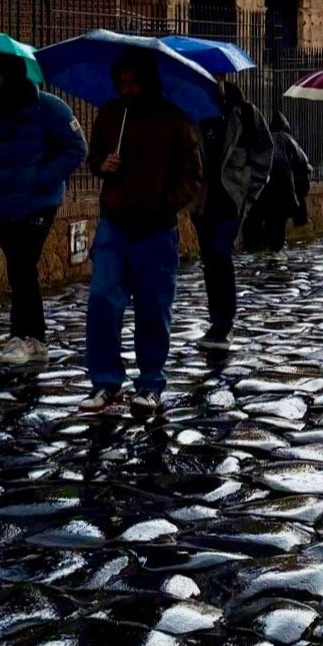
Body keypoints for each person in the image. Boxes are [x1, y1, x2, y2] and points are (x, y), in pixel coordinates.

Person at [82, 51, 204, 414]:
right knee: (102, 300)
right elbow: (94, 160)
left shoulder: (174, 120)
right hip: (114, 224)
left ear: (148, 82)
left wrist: (166, 203)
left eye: (134, 83)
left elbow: (192, 175)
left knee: (153, 308)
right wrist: (102, 166)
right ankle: (105, 380)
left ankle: (150, 382)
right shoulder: (108, 115)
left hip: (156, 228)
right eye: (121, 84)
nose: (128, 90)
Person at [0, 52, 86, 365]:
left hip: (39, 201)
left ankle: (20, 336)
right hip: (4, 200)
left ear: (11, 74)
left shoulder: (49, 107)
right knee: (17, 267)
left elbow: (76, 147)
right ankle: (35, 337)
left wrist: (41, 176)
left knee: (23, 264)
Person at [191, 75, 273, 348]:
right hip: (202, 199)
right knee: (209, 260)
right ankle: (217, 319)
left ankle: (224, 322)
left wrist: (250, 193)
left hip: (231, 198)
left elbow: (264, 153)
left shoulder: (245, 112)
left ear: (223, 79)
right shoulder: (193, 112)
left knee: (219, 253)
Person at [242, 112, 312, 253]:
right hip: (283, 192)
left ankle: (266, 254)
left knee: (267, 224)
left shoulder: (264, 138)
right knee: (278, 227)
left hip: (262, 191)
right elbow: (304, 164)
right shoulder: (288, 139)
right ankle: (274, 258)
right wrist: (302, 193)